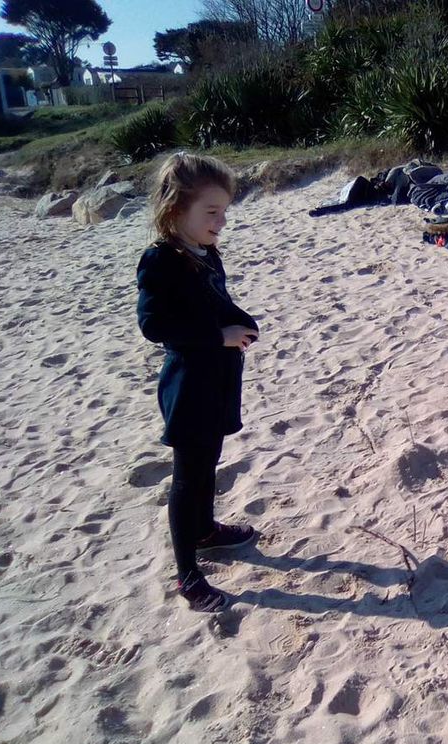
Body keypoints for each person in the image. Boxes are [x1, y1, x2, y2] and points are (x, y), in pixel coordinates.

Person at [136, 153, 260, 611]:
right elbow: (154, 325)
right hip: (188, 386)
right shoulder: (160, 261)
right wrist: (217, 336)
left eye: (224, 211)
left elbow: (218, 302)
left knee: (209, 461)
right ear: (175, 211)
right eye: (211, 212)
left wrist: (242, 321)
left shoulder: (206, 253)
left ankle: (206, 530)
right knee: (187, 477)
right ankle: (188, 574)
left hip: (219, 378)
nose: (221, 221)